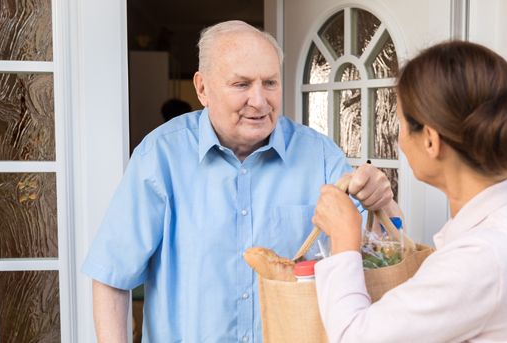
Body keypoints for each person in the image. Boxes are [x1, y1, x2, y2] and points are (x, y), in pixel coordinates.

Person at [81, 21, 401, 343]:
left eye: (270, 82)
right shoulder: (159, 156)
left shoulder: (320, 155)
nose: (260, 101)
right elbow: (112, 276)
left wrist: (382, 203)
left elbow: (375, 255)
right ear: (203, 88)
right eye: (241, 84)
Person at [312, 41, 507, 342]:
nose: (399, 139)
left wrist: (344, 238)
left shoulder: (481, 255)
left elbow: (354, 337)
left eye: (402, 125)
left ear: (431, 140)